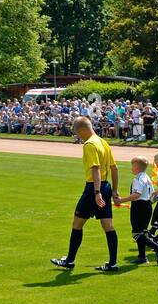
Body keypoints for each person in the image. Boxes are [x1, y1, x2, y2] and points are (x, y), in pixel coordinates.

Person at [51, 116, 120, 272]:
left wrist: (96, 193)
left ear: (82, 130)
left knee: (77, 223)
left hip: (93, 189)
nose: (78, 137)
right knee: (108, 225)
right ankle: (113, 263)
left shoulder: (89, 144)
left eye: (77, 133)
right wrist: (114, 190)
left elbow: (95, 168)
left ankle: (69, 261)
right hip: (106, 186)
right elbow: (114, 168)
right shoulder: (103, 142)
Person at [115, 155, 158, 265]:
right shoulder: (146, 177)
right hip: (146, 206)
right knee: (141, 232)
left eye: (132, 166)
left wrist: (121, 200)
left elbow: (136, 195)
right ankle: (142, 256)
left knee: (136, 233)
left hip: (139, 207)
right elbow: (152, 194)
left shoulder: (138, 179)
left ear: (137, 167)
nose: (131, 168)